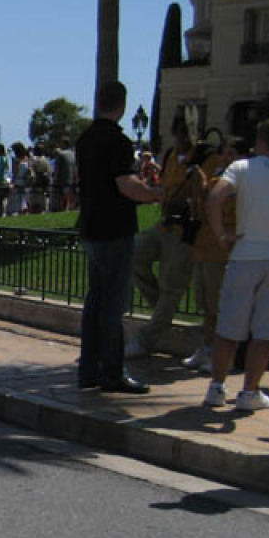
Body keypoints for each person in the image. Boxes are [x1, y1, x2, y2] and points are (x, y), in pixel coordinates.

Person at [201, 116, 269, 412]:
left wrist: (221, 235)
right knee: (266, 333)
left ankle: (217, 387)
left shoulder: (241, 167)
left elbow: (215, 197)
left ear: (260, 140)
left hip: (244, 254)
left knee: (229, 327)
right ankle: (249, 391)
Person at [75, 80, 165, 394]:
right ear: (122, 106)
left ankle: (88, 370)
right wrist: (155, 194)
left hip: (90, 227)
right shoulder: (118, 140)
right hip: (115, 231)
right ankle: (113, 373)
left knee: (95, 301)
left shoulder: (85, 139)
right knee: (113, 305)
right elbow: (125, 185)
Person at [129, 141, 213, 358]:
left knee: (171, 284)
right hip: (164, 225)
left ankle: (147, 337)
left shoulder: (206, 158)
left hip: (185, 231)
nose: (180, 135)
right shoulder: (171, 155)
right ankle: (162, 311)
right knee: (134, 255)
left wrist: (199, 183)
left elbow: (209, 196)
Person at [184, 138, 247, 373]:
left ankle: (222, 356)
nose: (227, 158)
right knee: (207, 308)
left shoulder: (238, 185)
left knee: (220, 308)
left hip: (221, 254)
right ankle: (207, 347)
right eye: (224, 153)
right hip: (203, 249)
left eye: (233, 153)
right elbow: (199, 212)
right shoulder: (214, 181)